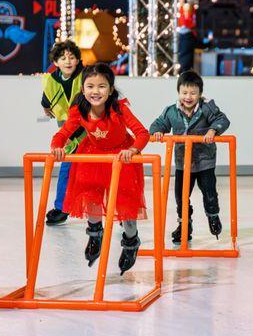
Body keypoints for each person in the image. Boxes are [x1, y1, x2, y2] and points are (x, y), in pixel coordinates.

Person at [50, 63, 149, 275]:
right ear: (83, 89)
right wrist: (57, 146)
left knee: (125, 208)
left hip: (120, 158)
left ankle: (131, 242)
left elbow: (142, 133)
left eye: (102, 86)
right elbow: (63, 133)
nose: (96, 92)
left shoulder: (119, 109)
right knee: (91, 199)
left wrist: (132, 150)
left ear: (111, 89)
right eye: (91, 86)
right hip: (93, 157)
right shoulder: (79, 110)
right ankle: (95, 234)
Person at [149, 70, 230, 245]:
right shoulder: (171, 111)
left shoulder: (207, 107)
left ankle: (213, 216)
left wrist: (213, 129)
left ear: (200, 94)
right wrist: (157, 131)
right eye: (184, 92)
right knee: (181, 196)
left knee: (209, 192)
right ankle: (185, 225)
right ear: (179, 92)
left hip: (204, 160)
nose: (188, 97)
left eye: (193, 93)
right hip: (182, 163)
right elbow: (159, 123)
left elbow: (222, 119)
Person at [41, 40, 85, 226]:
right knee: (66, 170)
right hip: (68, 136)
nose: (68, 61)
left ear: (77, 60)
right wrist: (45, 106)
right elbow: (46, 100)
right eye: (62, 58)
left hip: (91, 132)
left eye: (72, 57)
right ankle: (61, 208)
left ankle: (120, 211)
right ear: (56, 62)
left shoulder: (86, 76)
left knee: (104, 171)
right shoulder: (51, 80)